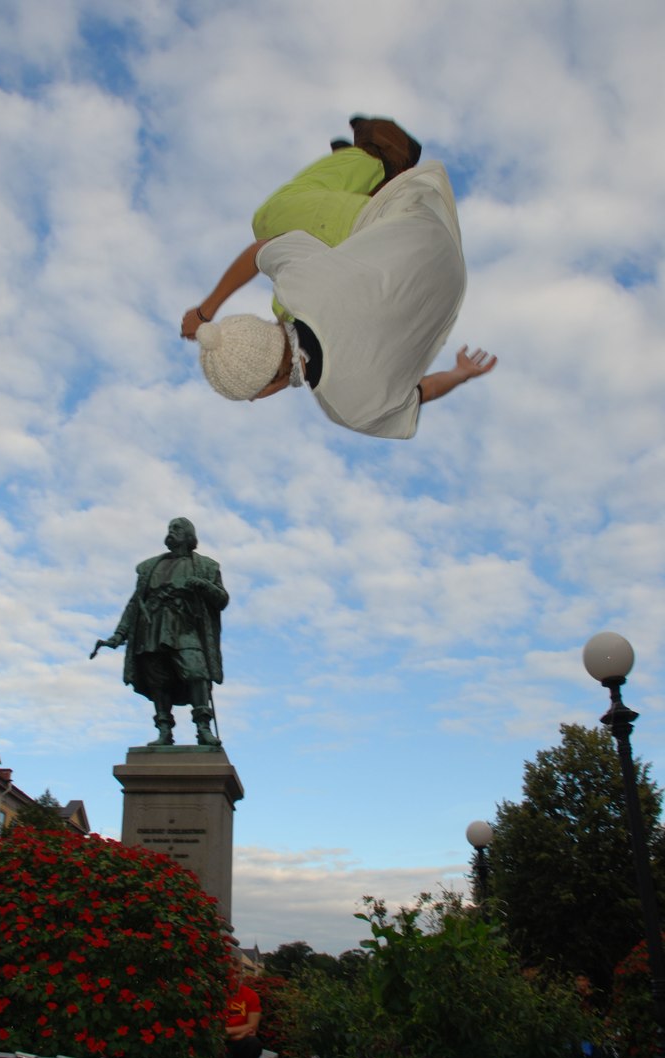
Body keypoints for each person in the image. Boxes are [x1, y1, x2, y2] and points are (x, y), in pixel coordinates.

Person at [181, 115, 496, 441]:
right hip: (414, 223)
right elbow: (258, 252)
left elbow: (421, 392)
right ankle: (375, 159)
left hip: (448, 277)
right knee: (270, 218)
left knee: (291, 296)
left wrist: (462, 373)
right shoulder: (303, 284)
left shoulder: (350, 409)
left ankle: (355, 182)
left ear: (265, 391)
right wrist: (206, 311)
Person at [90, 518, 228, 748]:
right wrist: (119, 634)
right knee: (158, 681)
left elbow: (222, 600)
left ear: (189, 535)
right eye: (170, 528)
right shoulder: (149, 567)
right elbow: (135, 603)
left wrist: (204, 586)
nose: (171, 532)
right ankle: (165, 730)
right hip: (152, 626)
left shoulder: (206, 566)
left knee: (196, 672)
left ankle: (203, 728)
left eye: (177, 529)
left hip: (184, 625)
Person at [225, 967, 263, 1058]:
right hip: (221, 1041)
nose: (234, 976)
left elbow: (253, 1026)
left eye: (237, 973)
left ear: (241, 975)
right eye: (231, 973)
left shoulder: (251, 995)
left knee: (253, 1043)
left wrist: (229, 1032)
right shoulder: (216, 994)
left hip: (241, 1039)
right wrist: (236, 1035)